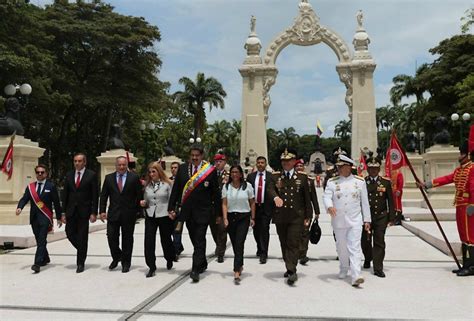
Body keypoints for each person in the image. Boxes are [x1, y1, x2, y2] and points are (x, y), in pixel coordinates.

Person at [419, 132, 474, 277]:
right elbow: (447, 179)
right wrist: (427, 184)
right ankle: (465, 264)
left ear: (467, 155)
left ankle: (472, 266)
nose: (459, 156)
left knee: (470, 237)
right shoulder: (459, 170)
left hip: (469, 207)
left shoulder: (472, 168)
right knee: (463, 236)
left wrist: (473, 205)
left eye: (461, 153)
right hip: (460, 206)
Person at [168, 144, 220, 282]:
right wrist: (171, 207)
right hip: (187, 212)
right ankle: (202, 262)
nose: (195, 158)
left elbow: (216, 193)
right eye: (192, 155)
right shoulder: (183, 169)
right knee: (194, 239)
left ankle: (195, 269)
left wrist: (218, 214)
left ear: (202, 156)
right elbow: (176, 190)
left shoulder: (210, 171)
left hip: (204, 212)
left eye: (197, 155)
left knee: (199, 239)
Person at [323, 154, 371, 287]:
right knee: (342, 247)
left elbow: (365, 203)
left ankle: (356, 275)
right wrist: (329, 206)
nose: (339, 169)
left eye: (341, 166)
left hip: (355, 220)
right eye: (338, 167)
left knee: (354, 247)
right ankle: (344, 267)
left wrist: (367, 220)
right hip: (338, 220)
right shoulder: (332, 182)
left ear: (349, 167)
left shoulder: (359, 182)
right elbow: (326, 196)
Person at [272, 148, 312, 285]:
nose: (286, 163)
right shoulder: (276, 176)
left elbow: (307, 197)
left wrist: (309, 215)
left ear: (294, 162)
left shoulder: (302, 177)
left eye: (288, 160)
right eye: (283, 161)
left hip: (296, 217)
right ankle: (289, 265)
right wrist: (275, 197)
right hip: (281, 216)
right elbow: (269, 189)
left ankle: (292, 270)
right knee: (284, 243)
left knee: (293, 243)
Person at [99, 156, 143, 273]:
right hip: (113, 213)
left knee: (127, 239)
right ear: (116, 165)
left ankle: (126, 262)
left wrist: (138, 211)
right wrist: (102, 211)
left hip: (129, 214)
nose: (122, 167)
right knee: (111, 236)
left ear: (127, 165)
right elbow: (104, 196)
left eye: (124, 165)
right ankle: (117, 256)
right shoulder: (109, 178)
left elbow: (139, 195)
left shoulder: (134, 178)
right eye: (120, 165)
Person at [16, 164, 63, 273]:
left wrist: (59, 217)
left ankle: (37, 263)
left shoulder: (51, 187)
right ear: (36, 174)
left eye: (42, 172)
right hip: (34, 218)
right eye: (38, 172)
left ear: (46, 173)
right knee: (39, 240)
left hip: (45, 217)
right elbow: (24, 199)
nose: (40, 174)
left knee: (41, 239)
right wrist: (19, 207)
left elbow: (56, 203)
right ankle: (45, 258)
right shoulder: (30, 187)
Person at [62, 153, 99, 273]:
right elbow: (65, 195)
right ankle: (82, 249)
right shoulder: (69, 175)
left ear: (84, 162)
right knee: (69, 233)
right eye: (75, 161)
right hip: (71, 211)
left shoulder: (91, 175)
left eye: (79, 161)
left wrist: (94, 212)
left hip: (85, 211)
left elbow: (95, 195)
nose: (77, 163)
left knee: (83, 236)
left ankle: (80, 263)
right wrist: (63, 212)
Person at [361, 156, 395, 277]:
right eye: (370, 168)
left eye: (375, 168)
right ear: (367, 169)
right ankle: (367, 258)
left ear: (379, 169)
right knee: (365, 241)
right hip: (366, 217)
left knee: (379, 241)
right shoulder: (362, 182)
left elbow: (390, 201)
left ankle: (378, 267)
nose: (373, 171)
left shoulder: (385, 182)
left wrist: (392, 218)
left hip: (381, 216)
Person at [140, 161, 175, 278]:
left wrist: (172, 211)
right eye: (149, 172)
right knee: (149, 241)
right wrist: (143, 204)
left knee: (166, 240)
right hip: (150, 215)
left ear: (159, 172)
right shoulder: (147, 186)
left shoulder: (167, 184)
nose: (151, 174)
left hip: (164, 215)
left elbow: (171, 200)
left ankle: (169, 257)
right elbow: (146, 200)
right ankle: (151, 266)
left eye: (153, 171)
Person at [222, 165, 256, 283]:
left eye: (237, 172)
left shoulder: (248, 187)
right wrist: (225, 218)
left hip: (243, 217)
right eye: (232, 172)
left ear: (241, 174)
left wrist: (253, 217)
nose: (234, 174)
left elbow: (252, 202)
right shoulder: (226, 187)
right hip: (231, 217)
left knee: (239, 242)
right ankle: (240, 263)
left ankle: (236, 270)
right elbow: (224, 204)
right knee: (235, 244)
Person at [246, 156, 276, 264]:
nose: (260, 164)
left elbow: (275, 191)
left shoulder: (271, 177)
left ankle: (264, 252)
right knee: (256, 230)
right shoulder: (251, 176)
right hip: (254, 207)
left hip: (266, 207)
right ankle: (259, 246)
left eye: (262, 162)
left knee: (264, 229)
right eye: (258, 162)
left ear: (265, 164)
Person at [294, 159, 320, 265]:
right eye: (297, 166)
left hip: (306, 211)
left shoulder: (309, 180)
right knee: (295, 233)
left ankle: (303, 254)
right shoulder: (291, 178)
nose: (299, 167)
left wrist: (317, 211)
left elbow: (313, 197)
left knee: (305, 233)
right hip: (294, 211)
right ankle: (295, 253)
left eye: (301, 165)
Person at [211, 153, 228, 263]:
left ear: (224, 162)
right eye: (216, 161)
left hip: (223, 207)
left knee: (222, 230)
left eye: (220, 161)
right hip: (212, 207)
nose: (218, 163)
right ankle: (218, 245)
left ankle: (221, 252)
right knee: (213, 229)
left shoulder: (229, 175)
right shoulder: (210, 175)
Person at [169, 161, 184, 260]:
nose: (173, 169)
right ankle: (179, 246)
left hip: (179, 208)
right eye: (172, 168)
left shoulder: (183, 181)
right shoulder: (166, 180)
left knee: (177, 231)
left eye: (176, 167)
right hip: (169, 209)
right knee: (170, 230)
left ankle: (175, 251)